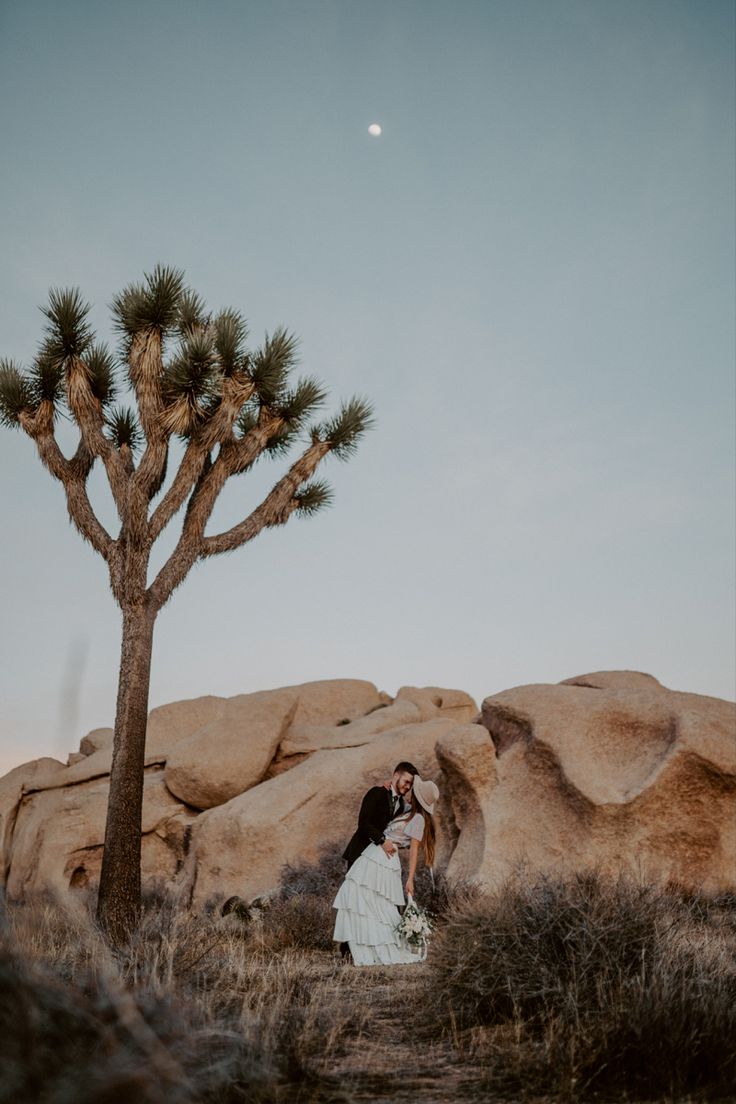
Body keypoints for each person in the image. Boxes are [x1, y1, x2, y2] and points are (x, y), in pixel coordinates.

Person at [333, 774, 439, 966]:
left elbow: (414, 850)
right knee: (361, 900)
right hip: (374, 855)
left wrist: (410, 879)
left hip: (385, 859)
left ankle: (371, 946)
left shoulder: (418, 820)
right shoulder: (407, 810)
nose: (408, 790)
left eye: (412, 789)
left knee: (376, 905)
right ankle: (356, 946)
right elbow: (391, 809)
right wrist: (388, 790)